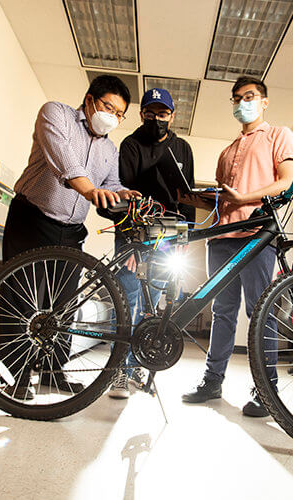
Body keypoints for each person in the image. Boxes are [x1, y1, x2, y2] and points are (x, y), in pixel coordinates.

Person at [3, 74, 140, 393]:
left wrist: (124, 194)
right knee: (21, 297)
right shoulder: (55, 114)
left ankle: (52, 370)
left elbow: (110, 185)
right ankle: (16, 376)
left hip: (72, 231)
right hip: (31, 217)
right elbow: (62, 159)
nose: (113, 117)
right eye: (109, 107)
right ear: (90, 100)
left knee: (62, 305)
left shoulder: (110, 150)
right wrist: (89, 188)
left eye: (120, 114)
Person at [181, 76, 293, 417]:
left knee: (260, 312)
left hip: (256, 236)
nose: (241, 103)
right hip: (221, 238)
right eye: (236, 99)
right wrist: (197, 199)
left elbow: (285, 182)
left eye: (248, 97)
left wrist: (244, 198)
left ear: (263, 102)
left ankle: (267, 389)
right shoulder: (226, 152)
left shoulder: (279, 135)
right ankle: (212, 380)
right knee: (221, 313)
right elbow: (224, 202)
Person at [107, 87, 196, 398]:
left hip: (168, 237)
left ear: (171, 116)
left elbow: (187, 197)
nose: (156, 118)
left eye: (162, 113)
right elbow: (123, 192)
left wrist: (185, 236)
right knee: (127, 299)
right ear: (141, 114)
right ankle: (120, 371)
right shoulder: (130, 145)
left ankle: (136, 364)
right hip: (134, 232)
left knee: (151, 306)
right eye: (150, 112)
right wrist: (131, 239)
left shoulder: (182, 148)